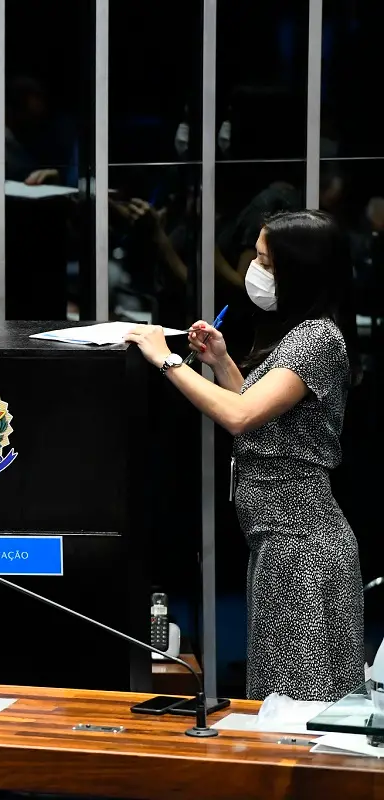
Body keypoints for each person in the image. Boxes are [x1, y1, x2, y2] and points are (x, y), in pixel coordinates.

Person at [123, 210, 362, 702]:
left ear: (298, 271)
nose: (252, 269)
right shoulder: (298, 333)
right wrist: (222, 362)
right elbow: (268, 415)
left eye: (263, 260)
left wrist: (165, 360)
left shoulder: (318, 338)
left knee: (297, 711)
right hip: (277, 544)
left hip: (304, 549)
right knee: (276, 697)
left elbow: (241, 416)